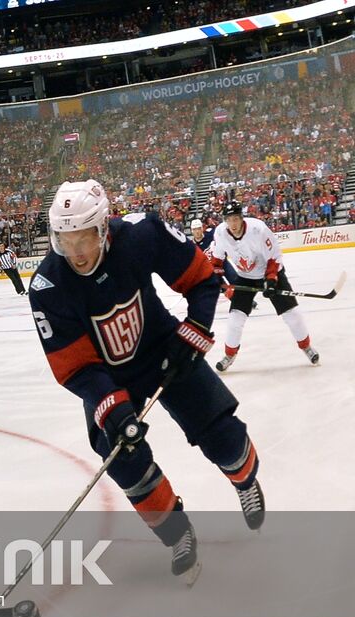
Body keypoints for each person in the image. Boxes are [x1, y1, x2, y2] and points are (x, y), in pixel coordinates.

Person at [28, 180, 265, 586]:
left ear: (103, 227)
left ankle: (244, 479)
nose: (77, 252)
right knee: (120, 455)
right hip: (108, 377)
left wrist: (193, 330)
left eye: (84, 237)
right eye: (65, 241)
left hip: (163, 348)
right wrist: (114, 407)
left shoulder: (141, 234)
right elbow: (75, 366)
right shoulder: (48, 285)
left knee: (223, 435)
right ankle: (177, 535)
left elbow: (201, 279)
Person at [208, 200, 319, 371]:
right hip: (245, 276)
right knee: (235, 318)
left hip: (270, 272)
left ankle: (306, 347)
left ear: (242, 218)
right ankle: (230, 354)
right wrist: (220, 283)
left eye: (236, 219)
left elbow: (274, 257)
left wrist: (271, 280)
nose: (233, 224)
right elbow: (216, 262)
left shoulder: (257, 229)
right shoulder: (221, 233)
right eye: (229, 220)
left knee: (292, 314)